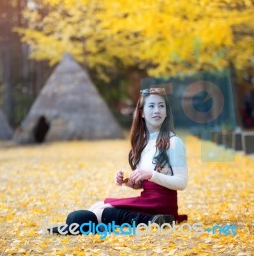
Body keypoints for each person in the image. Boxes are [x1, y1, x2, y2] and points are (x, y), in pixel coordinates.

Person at [47, 87, 188, 235]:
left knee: (96, 214)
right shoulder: (143, 143)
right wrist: (129, 183)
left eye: (161, 106)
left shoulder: (173, 142)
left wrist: (150, 175)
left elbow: (181, 182)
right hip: (147, 200)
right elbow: (144, 184)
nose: (157, 110)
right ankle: (148, 220)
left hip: (162, 205)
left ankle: (156, 219)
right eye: (151, 106)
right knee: (96, 207)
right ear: (141, 113)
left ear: (166, 112)